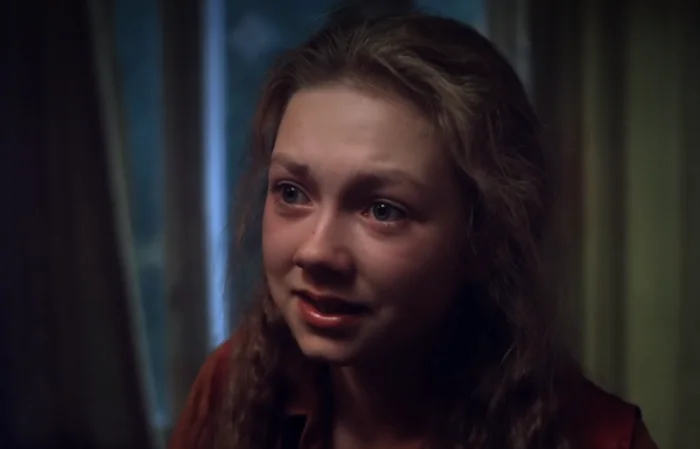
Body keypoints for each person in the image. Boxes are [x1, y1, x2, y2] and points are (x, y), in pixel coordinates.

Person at [169, 11, 658, 449]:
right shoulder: (233, 386)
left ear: (484, 239)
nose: (316, 252)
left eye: (383, 210)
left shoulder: (599, 438)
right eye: (292, 193)